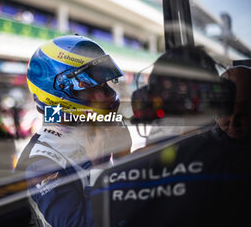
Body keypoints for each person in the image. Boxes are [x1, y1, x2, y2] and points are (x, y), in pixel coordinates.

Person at [91, 47, 251, 227]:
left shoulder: (117, 177)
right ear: (218, 100)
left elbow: (95, 219)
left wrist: (102, 165)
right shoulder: (239, 165)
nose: (233, 122)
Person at [17, 35, 131, 227]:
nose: (104, 94)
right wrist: (100, 166)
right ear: (57, 94)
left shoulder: (90, 133)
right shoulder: (41, 161)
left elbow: (123, 209)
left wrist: (123, 159)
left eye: (104, 84)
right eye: (91, 87)